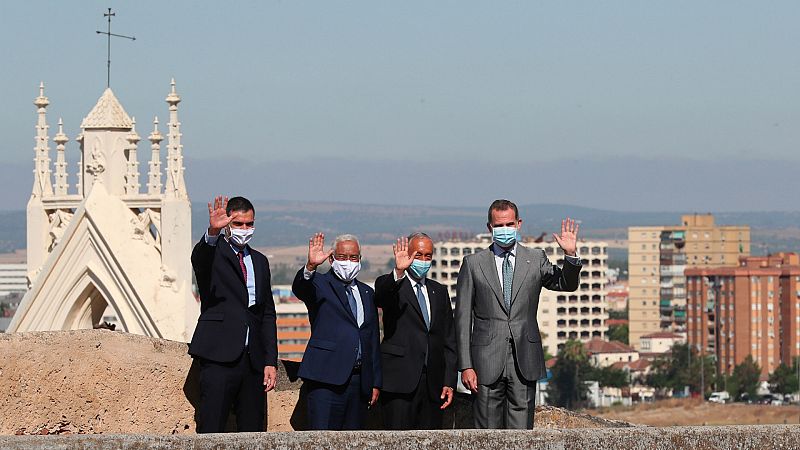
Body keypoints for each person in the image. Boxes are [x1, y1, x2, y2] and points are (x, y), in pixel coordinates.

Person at [455, 199, 581, 429]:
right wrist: (466, 365)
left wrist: (570, 255)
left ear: (519, 224)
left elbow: (565, 283)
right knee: (486, 436)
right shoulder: (473, 264)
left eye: (509, 224)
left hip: (524, 358)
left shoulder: (536, 259)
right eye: (499, 225)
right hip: (485, 360)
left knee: (522, 434)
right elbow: (462, 319)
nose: (504, 230)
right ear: (489, 228)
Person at [188, 195, 278, 433]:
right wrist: (212, 233)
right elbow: (200, 260)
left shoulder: (259, 261)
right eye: (238, 224)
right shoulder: (214, 252)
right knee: (212, 428)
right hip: (219, 356)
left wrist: (270, 360)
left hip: (253, 361)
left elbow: (267, 313)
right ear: (228, 223)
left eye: (249, 224)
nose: (245, 229)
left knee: (252, 431)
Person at [292, 233, 381, 430]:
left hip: (359, 381)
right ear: (331, 259)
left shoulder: (367, 293)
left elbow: (372, 338)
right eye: (342, 257)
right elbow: (301, 288)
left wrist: (374, 381)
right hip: (326, 379)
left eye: (353, 257)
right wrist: (310, 267)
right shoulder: (319, 284)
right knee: (322, 438)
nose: (348, 262)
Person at [374, 233, 457, 429]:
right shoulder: (392, 284)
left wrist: (449, 381)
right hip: (399, 382)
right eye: (418, 255)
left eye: (428, 256)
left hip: (433, 385)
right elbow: (381, 298)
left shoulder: (439, 291)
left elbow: (449, 339)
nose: (423, 260)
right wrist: (398, 272)